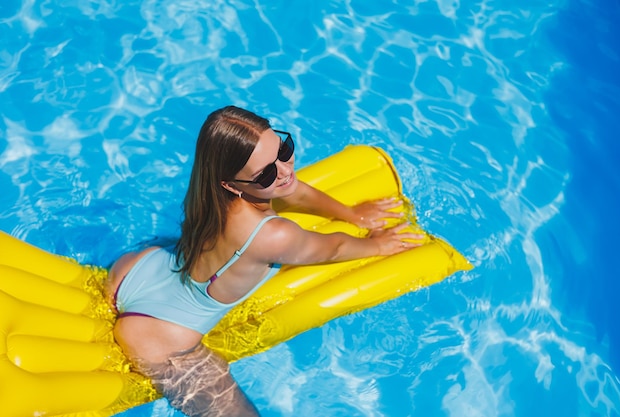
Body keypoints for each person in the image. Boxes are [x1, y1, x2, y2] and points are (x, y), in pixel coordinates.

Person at [105, 105, 422, 416]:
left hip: (136, 269)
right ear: (231, 183)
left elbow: (293, 191)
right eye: (267, 172)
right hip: (159, 338)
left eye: (284, 150)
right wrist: (379, 246)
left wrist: (352, 214)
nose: (285, 170)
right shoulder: (274, 236)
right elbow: (334, 249)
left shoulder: (210, 193)